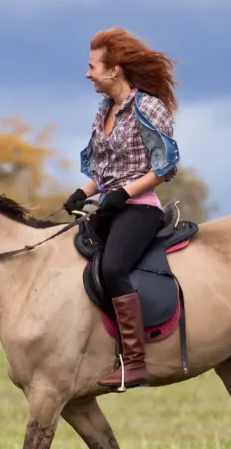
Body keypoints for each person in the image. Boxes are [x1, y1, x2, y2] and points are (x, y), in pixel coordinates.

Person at [62, 27, 180, 391]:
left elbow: (165, 166)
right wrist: (81, 193)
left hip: (140, 209)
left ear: (114, 70)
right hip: (109, 207)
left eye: (92, 66)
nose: (87, 73)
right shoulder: (104, 111)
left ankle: (135, 362)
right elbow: (102, 172)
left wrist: (124, 193)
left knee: (113, 268)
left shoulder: (148, 108)